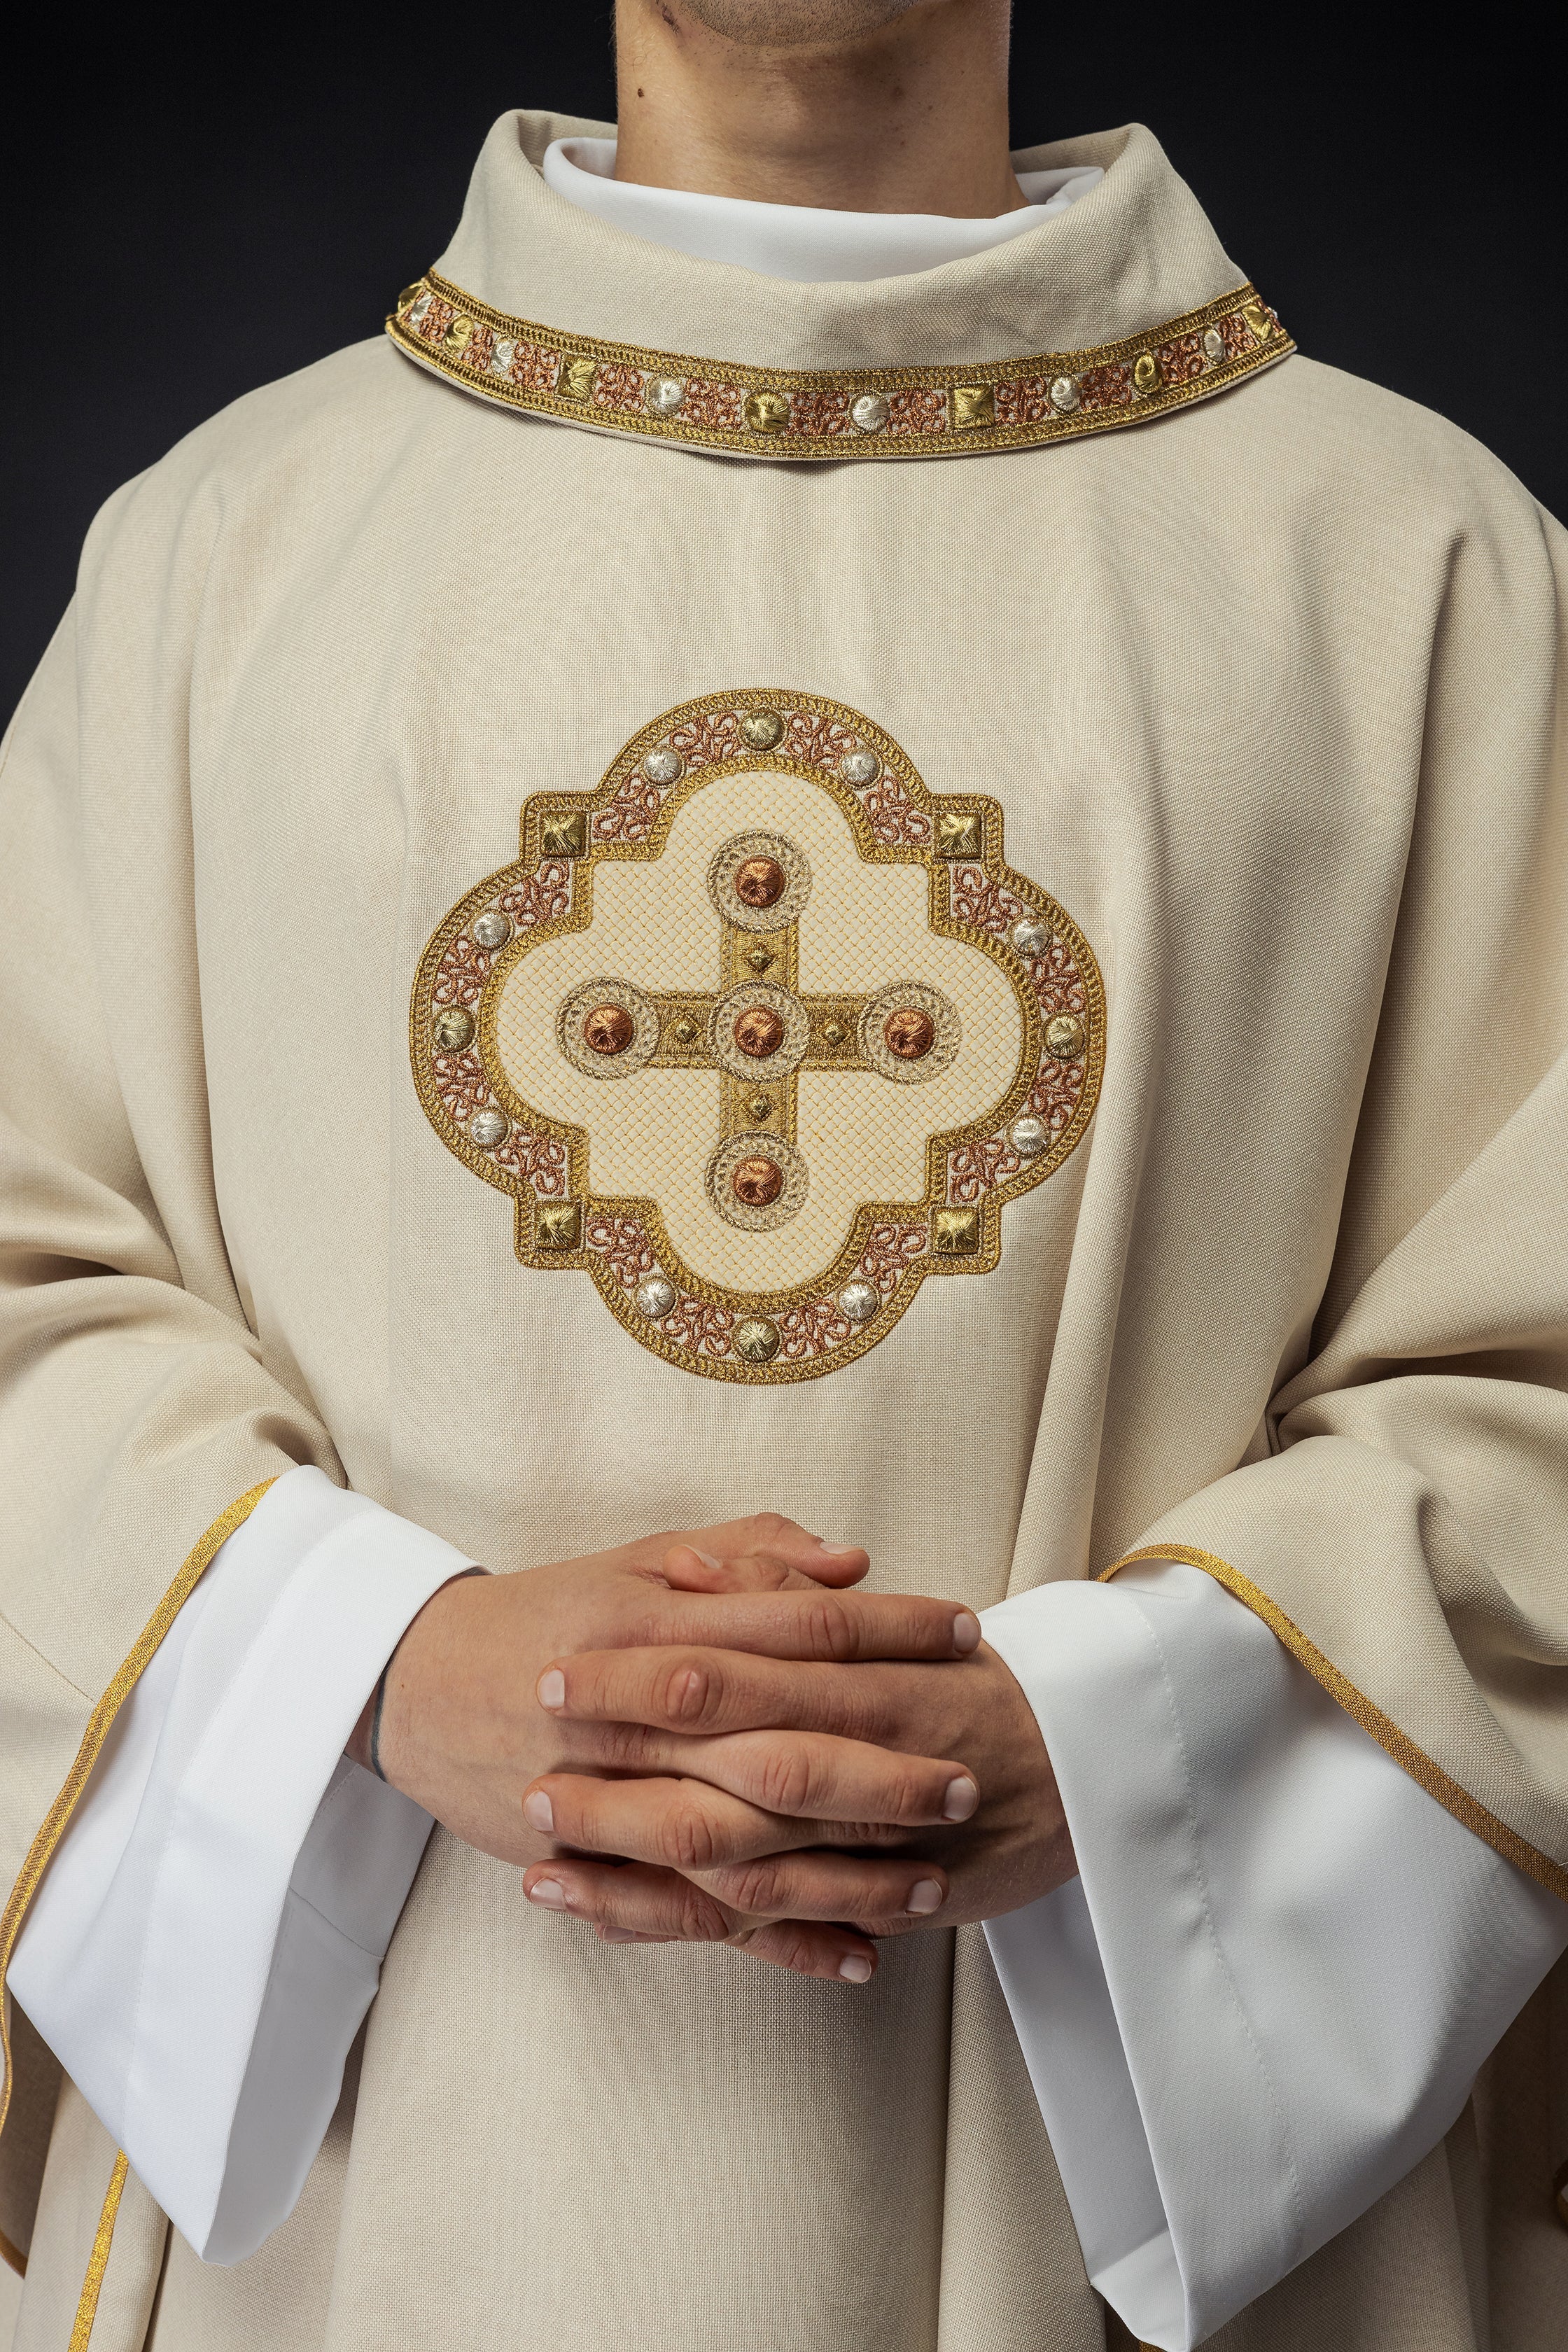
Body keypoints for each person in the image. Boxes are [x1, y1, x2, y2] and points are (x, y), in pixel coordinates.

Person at [1, 2, 1565, 2346]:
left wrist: (1120, 1749)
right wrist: (367, 1670)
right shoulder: (224, 555)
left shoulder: (1426, 569)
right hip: (393, 2197)